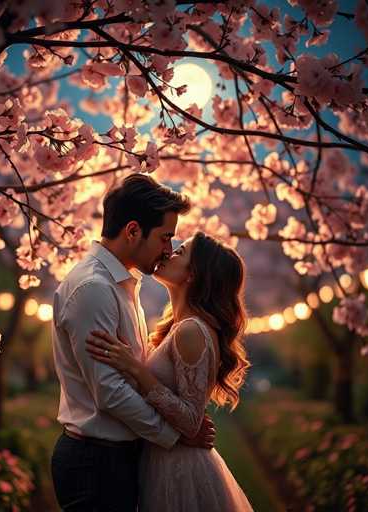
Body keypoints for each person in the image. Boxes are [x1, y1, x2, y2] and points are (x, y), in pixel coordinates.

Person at [51, 173, 216, 512]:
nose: (168, 249)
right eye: (165, 237)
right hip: (95, 463)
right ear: (132, 231)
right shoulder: (93, 289)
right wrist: (176, 436)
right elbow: (110, 391)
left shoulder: (122, 286)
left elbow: (131, 378)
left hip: (116, 459)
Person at [86, 231, 254, 511]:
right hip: (162, 458)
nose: (168, 252)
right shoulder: (180, 326)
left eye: (180, 252)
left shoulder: (192, 330)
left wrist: (136, 369)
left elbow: (190, 420)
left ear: (193, 275)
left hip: (179, 470)